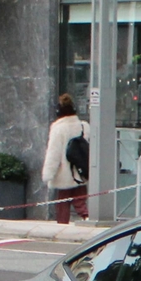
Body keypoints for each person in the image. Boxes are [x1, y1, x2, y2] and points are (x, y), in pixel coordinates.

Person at [41, 93, 88, 224]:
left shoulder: (58, 128)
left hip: (64, 173)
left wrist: (48, 174)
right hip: (80, 171)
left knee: (62, 205)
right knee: (80, 202)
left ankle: (62, 227)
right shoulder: (83, 126)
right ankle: (88, 220)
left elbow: (53, 153)